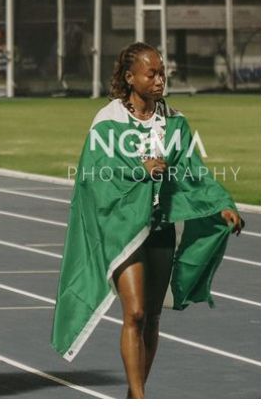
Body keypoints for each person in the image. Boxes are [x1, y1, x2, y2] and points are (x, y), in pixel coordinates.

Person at [51, 41, 243, 398]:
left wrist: (221, 204)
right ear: (130, 77)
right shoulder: (109, 120)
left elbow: (193, 171)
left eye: (162, 72)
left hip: (161, 227)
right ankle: (140, 400)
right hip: (124, 229)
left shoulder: (174, 120)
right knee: (135, 313)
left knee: (152, 318)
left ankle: (134, 391)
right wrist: (138, 169)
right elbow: (94, 171)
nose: (159, 80)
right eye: (151, 73)